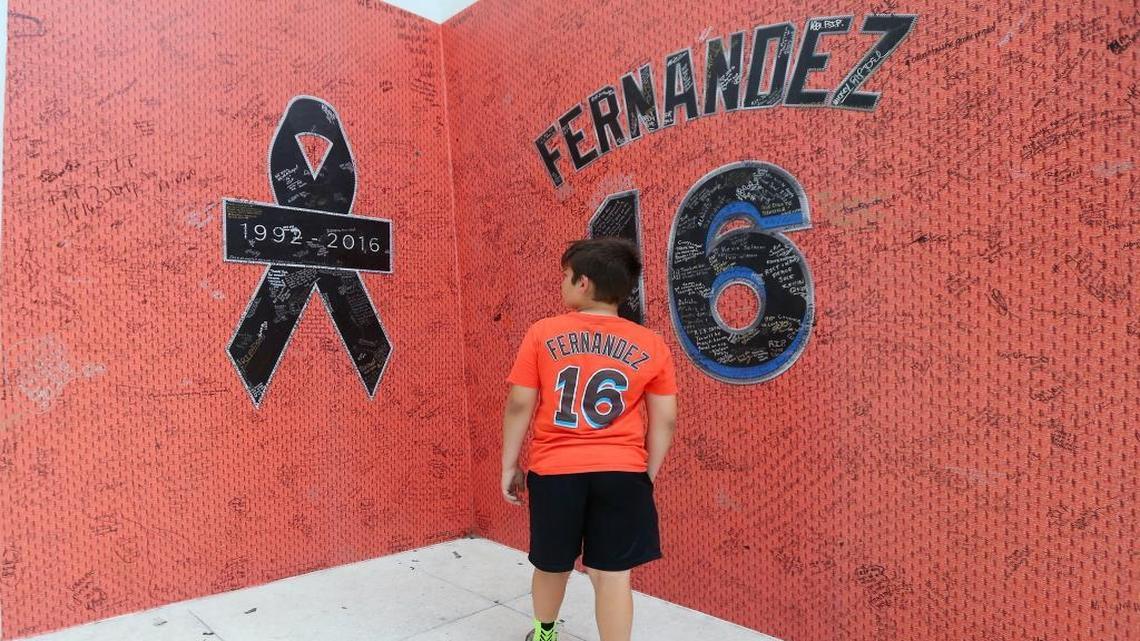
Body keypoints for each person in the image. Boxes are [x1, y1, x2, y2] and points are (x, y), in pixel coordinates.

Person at [500, 238, 679, 641]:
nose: (562, 284)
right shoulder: (651, 344)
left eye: (565, 276)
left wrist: (510, 464)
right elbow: (665, 420)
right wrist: (644, 473)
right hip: (623, 472)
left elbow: (519, 403)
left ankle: (544, 636)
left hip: (555, 471)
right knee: (613, 573)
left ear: (583, 283)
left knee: (552, 564)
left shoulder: (543, 333)